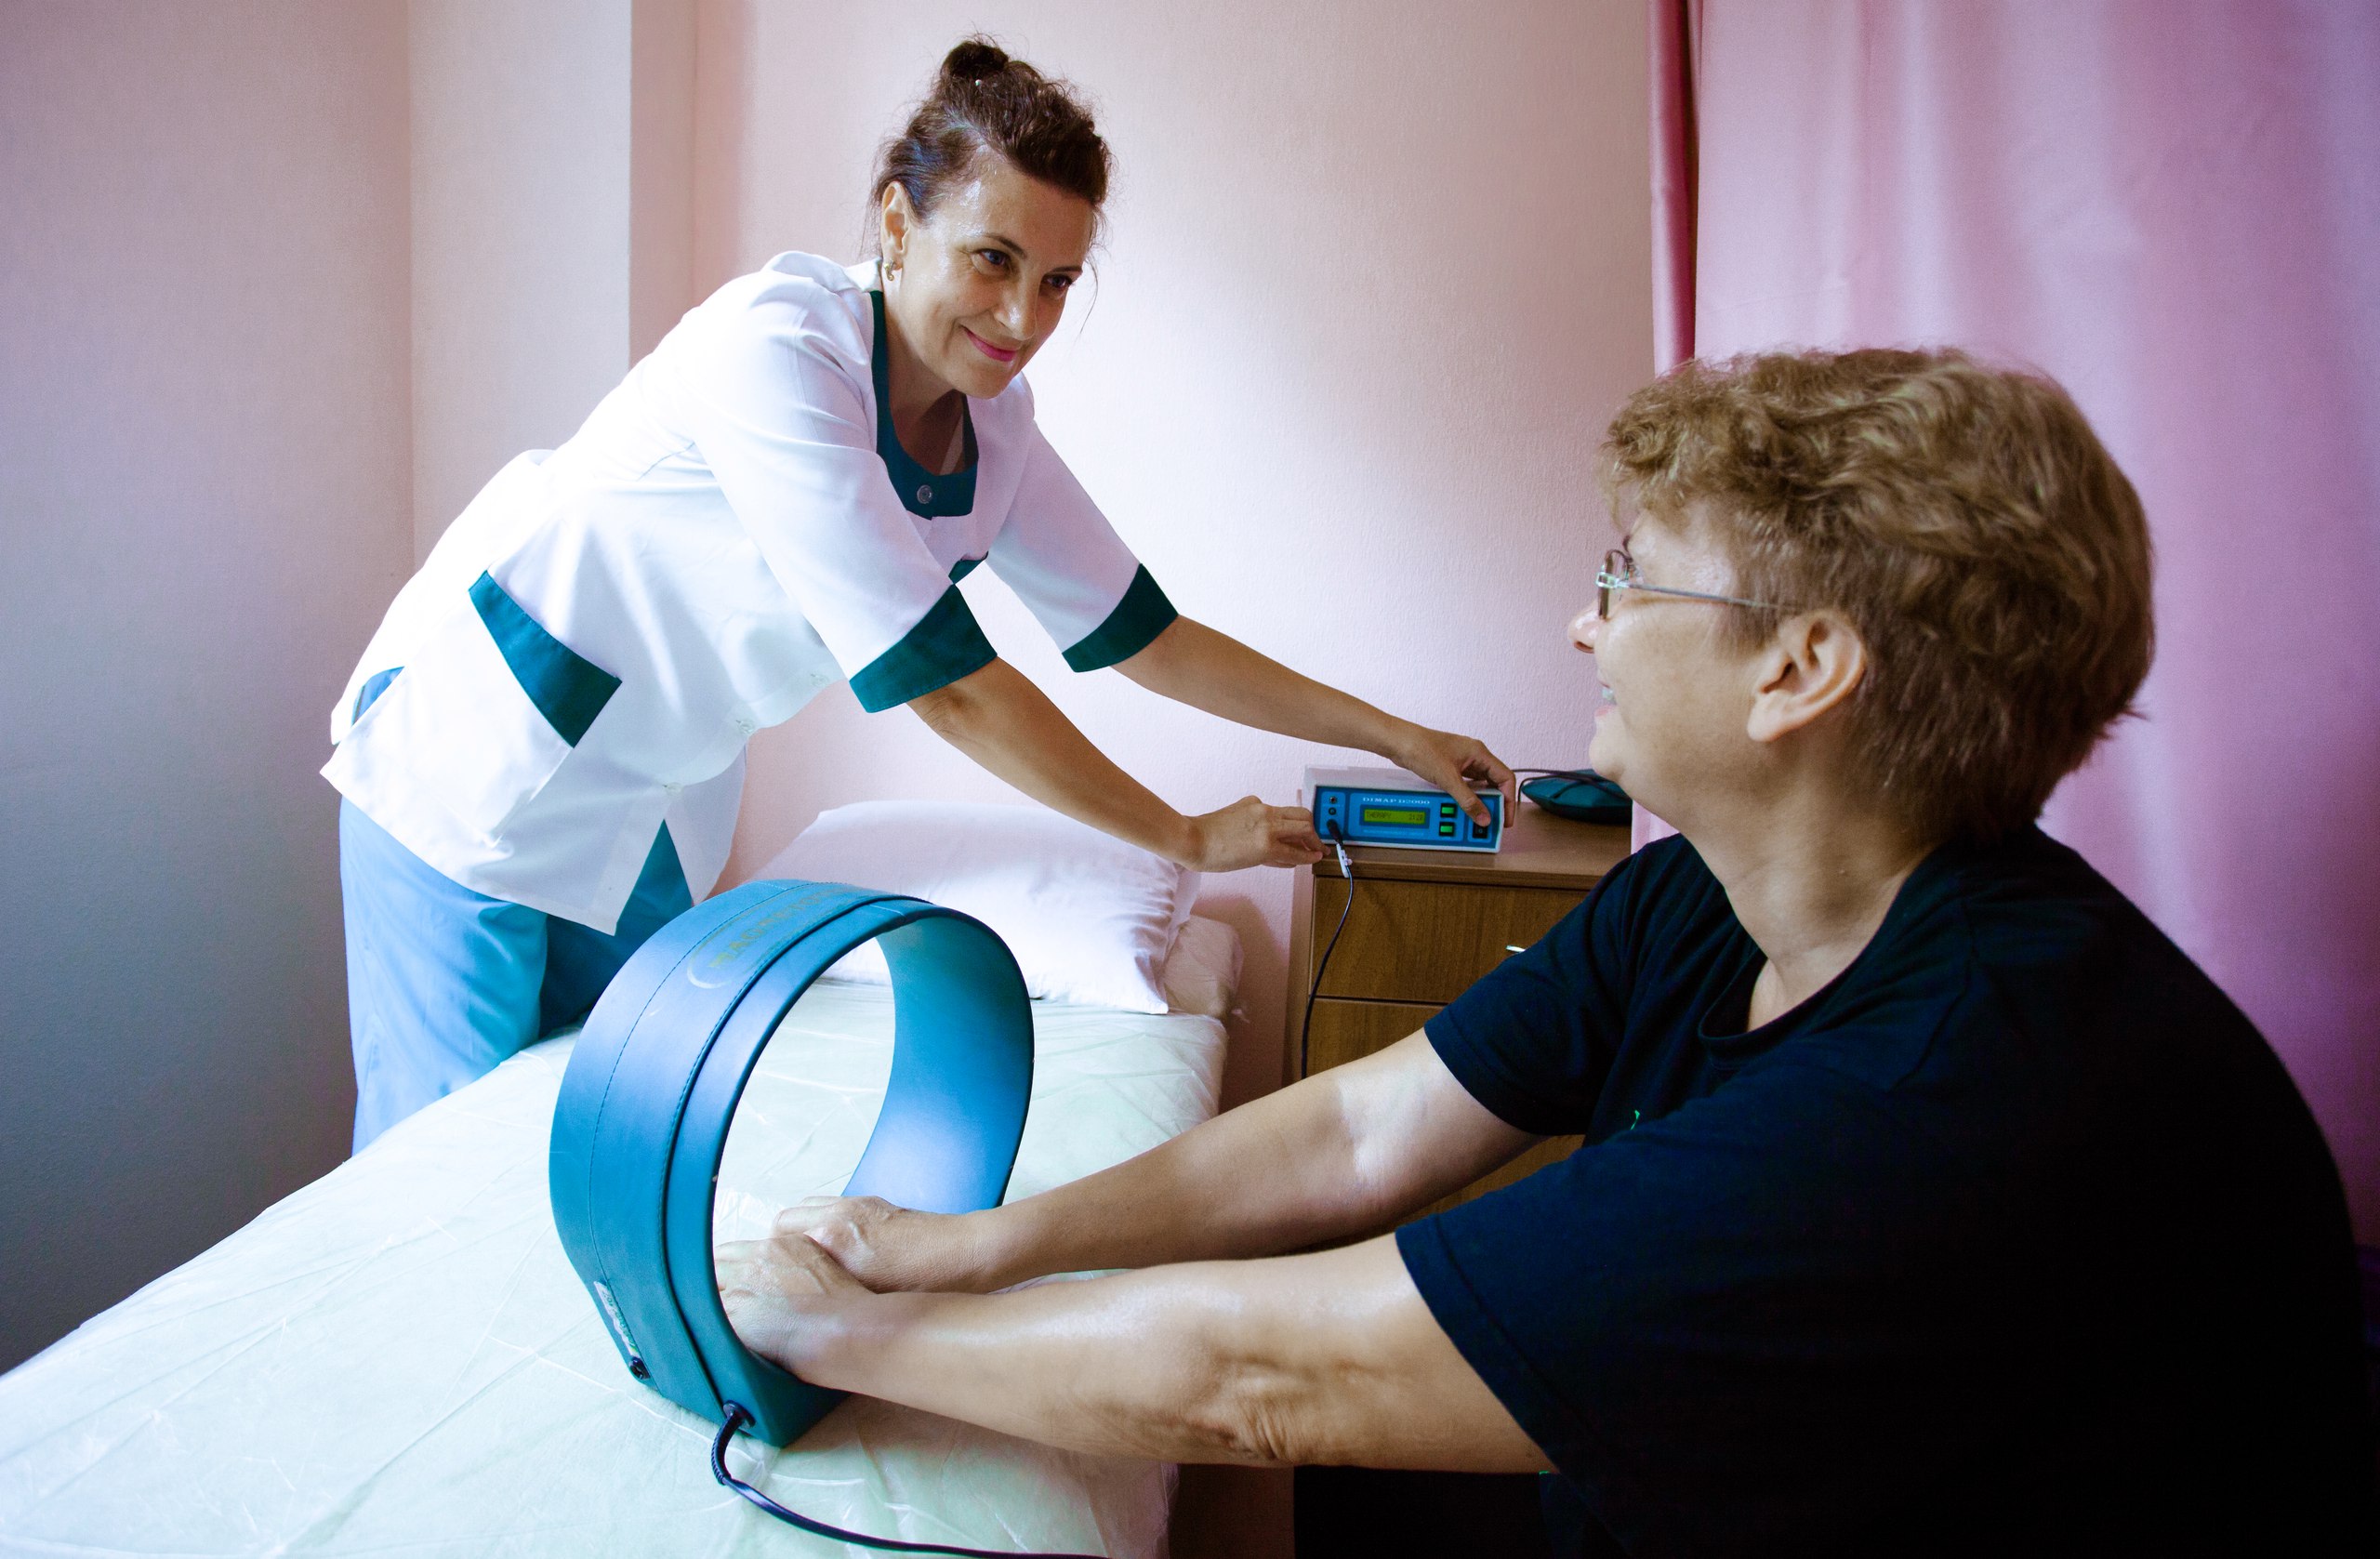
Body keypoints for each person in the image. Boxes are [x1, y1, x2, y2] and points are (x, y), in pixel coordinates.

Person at [719, 349, 2377, 1554]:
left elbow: (1263, 1377)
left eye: (1629, 578)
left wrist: (824, 1337)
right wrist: (976, 1249)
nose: (1586, 622)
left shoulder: (1958, 1093)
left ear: (1801, 669)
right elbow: (1358, 1131)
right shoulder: (1704, 899)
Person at [324, 39, 1511, 1150]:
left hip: (635, 801)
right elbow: (949, 689)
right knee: (437, 1158)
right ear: (898, 222)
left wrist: (1397, 737)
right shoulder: (776, 351)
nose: (1023, 319)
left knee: (612, 1130)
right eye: (993, 260)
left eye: (1057, 280)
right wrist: (1184, 836)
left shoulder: (997, 429)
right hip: (477, 752)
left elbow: (1149, 639)